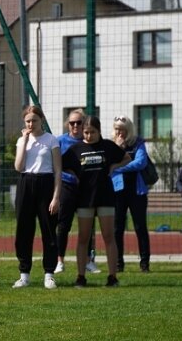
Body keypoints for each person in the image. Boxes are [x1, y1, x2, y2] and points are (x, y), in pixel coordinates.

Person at [62, 116, 130, 288]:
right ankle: (80, 277)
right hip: (84, 198)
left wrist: (114, 167)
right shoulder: (76, 148)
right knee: (83, 237)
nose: (89, 135)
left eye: (93, 132)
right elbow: (62, 164)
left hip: (105, 197)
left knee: (108, 236)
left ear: (99, 131)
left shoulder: (107, 146)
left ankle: (112, 276)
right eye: (86, 132)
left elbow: (126, 158)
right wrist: (75, 173)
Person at [11, 106, 61, 289]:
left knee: (48, 230)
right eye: (28, 121)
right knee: (23, 230)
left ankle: (49, 274)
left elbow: (58, 171)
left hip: (46, 183)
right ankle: (24, 274)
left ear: (42, 120)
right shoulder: (22, 140)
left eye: (34, 120)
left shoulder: (51, 140)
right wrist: (24, 141)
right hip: (26, 183)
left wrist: (56, 197)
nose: (31, 124)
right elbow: (18, 166)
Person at [54, 109, 100, 274]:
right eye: (72, 123)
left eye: (78, 123)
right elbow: (55, 164)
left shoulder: (90, 140)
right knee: (63, 225)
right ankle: (59, 261)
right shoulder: (60, 141)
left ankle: (88, 261)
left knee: (86, 226)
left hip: (86, 189)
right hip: (66, 187)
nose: (75, 126)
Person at [110, 115, 152, 273]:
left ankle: (144, 263)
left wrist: (118, 167)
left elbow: (140, 163)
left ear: (129, 130)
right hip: (117, 191)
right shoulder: (111, 144)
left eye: (122, 129)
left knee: (140, 226)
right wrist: (118, 148)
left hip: (137, 191)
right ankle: (118, 263)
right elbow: (108, 162)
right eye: (116, 129)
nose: (119, 132)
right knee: (117, 228)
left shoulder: (138, 143)